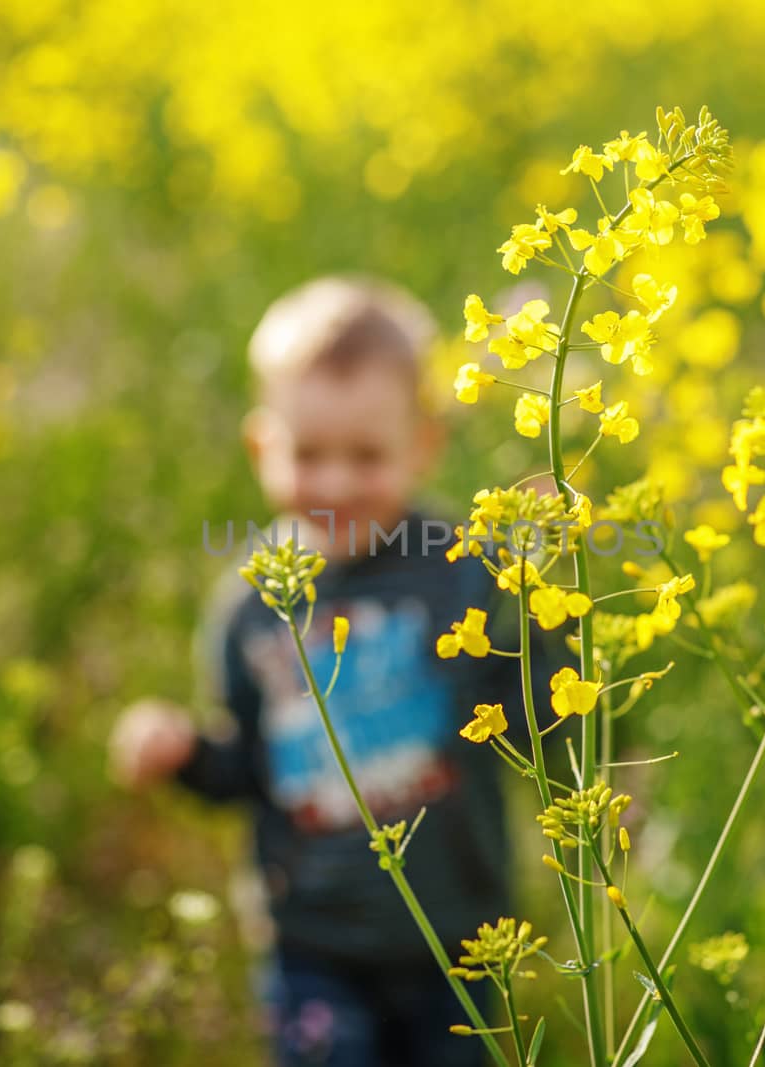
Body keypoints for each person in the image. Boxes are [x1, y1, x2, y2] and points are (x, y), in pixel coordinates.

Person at [109, 276, 554, 1067]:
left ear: (424, 445)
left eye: (368, 456)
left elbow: (538, 712)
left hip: (460, 935)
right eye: (308, 454)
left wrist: (550, 586)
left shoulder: (461, 565)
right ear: (260, 445)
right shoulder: (249, 605)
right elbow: (248, 768)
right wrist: (182, 754)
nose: (337, 483)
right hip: (310, 946)